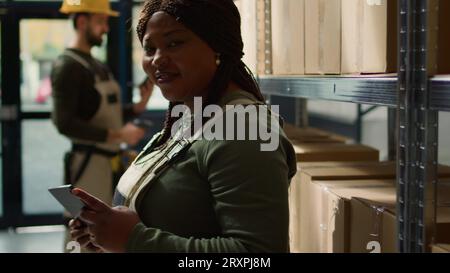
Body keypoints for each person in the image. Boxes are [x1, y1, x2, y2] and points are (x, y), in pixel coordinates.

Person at [69, 0, 297, 253]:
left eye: (174, 43)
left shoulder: (245, 129)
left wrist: (133, 240)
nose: (157, 59)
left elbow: (257, 256)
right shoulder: (189, 115)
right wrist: (107, 235)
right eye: (149, 48)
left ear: (217, 45)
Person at [51, 0, 153, 251]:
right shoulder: (68, 66)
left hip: (108, 163)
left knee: (103, 232)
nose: (106, 28)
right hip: (88, 166)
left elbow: (103, 111)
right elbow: (64, 123)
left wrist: (138, 106)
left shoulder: (95, 65)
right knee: (82, 233)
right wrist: (118, 134)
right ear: (82, 21)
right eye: (101, 21)